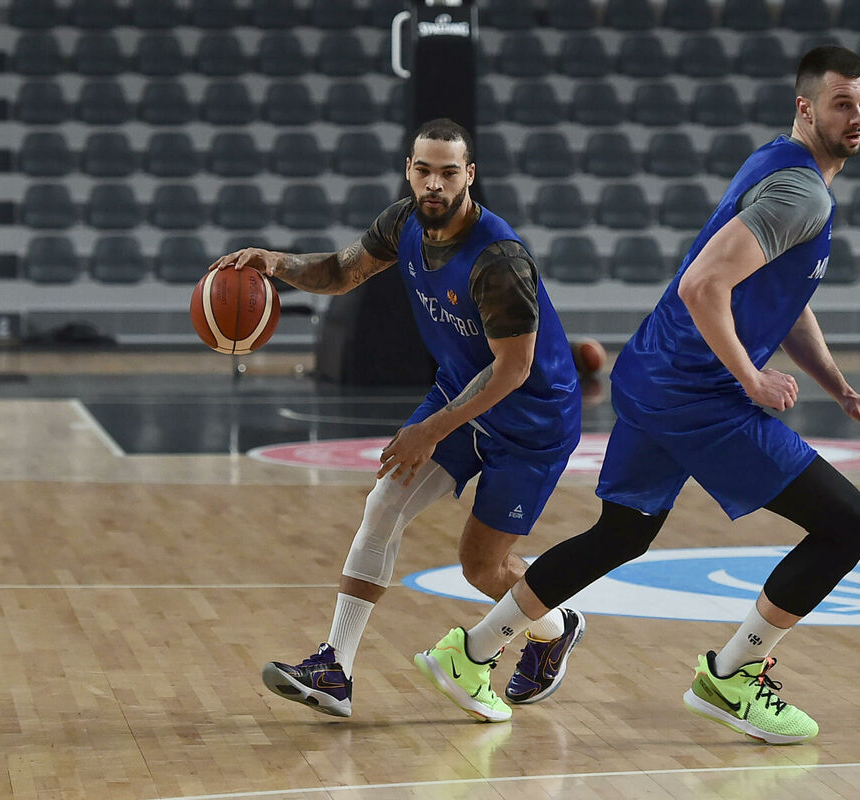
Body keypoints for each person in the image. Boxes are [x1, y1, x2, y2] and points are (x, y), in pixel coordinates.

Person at [416, 46, 860, 743]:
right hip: (696, 394)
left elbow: (781, 297)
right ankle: (733, 675)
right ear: (806, 107)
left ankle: (471, 654)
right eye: (842, 103)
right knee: (847, 524)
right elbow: (704, 286)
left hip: (651, 375)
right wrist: (751, 378)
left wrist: (841, 390)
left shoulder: (777, 164)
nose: (857, 117)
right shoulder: (803, 194)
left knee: (622, 533)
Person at [211, 118, 586, 722]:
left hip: (532, 421)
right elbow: (342, 272)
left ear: (469, 176)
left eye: (447, 172)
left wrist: (430, 430)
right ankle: (334, 670)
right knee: (383, 503)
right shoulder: (402, 222)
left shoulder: (499, 259)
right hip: (460, 392)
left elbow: (514, 369)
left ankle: (556, 627)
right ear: (409, 171)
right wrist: (276, 262)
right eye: (423, 170)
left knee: (481, 568)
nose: (434, 184)